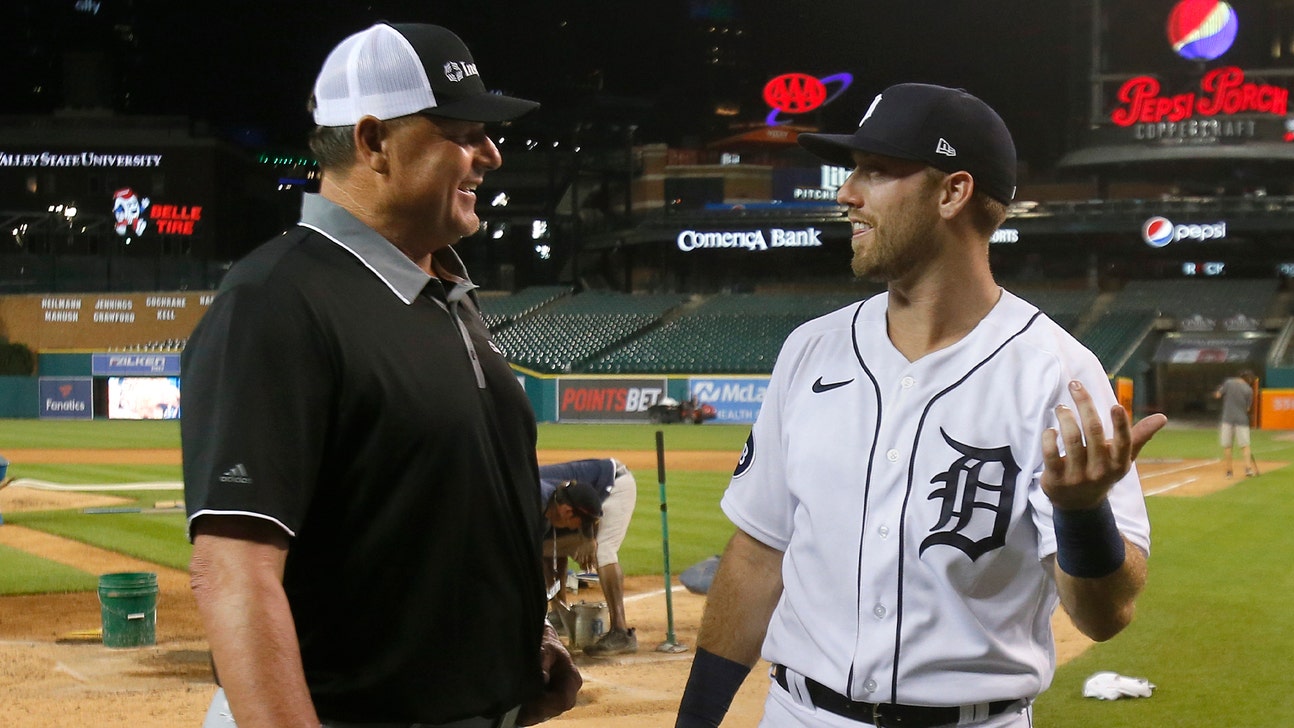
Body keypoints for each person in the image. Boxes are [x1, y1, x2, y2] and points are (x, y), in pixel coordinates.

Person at [674, 83, 1168, 728]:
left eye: (876, 171)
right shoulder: (810, 350)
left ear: (952, 193)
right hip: (800, 715)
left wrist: (1080, 515)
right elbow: (759, 554)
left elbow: (1104, 617)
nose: (846, 193)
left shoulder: (1058, 373)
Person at [182, 22, 580, 728]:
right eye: (462, 132)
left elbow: (443, 512)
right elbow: (234, 573)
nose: (491, 153)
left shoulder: (446, 295)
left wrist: (523, 640)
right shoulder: (277, 299)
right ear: (373, 144)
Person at [539, 458, 640, 656]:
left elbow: (584, 493)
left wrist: (588, 538)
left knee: (603, 550)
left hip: (613, 484)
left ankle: (621, 632)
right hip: (583, 502)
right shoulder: (534, 495)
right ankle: (559, 614)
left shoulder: (538, 491)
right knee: (547, 548)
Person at [1215, 369, 1256, 477]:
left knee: (1227, 446)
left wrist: (1220, 390)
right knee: (1245, 446)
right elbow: (1248, 408)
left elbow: (1218, 395)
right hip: (1242, 420)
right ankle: (1248, 469)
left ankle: (1229, 471)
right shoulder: (1249, 390)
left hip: (1227, 420)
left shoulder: (1228, 383)